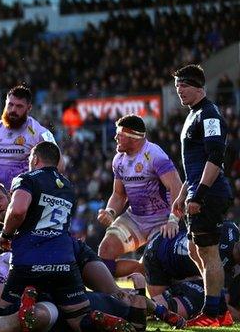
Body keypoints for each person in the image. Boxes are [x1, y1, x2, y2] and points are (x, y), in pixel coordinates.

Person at [0, 141, 132, 332]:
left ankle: (28, 303)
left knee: (4, 309)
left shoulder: (26, 178)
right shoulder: (67, 186)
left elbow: (18, 211)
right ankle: (98, 318)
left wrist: (5, 234)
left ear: (35, 159)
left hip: (28, 260)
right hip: (65, 261)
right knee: (78, 320)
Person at [172, 64, 234, 327]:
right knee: (195, 250)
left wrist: (198, 195)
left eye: (184, 86)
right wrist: (182, 194)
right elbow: (195, 166)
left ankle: (214, 313)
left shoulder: (209, 115)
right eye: (177, 88)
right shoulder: (194, 114)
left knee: (208, 252)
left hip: (209, 194)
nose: (180, 92)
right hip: (197, 191)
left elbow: (216, 157)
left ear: (198, 86)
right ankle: (220, 308)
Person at [0, 85, 54, 263]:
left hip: (24, 204)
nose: (13, 110)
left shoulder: (38, 132)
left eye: (19, 106)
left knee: (21, 256)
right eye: (10, 105)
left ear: (29, 108)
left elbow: (57, 162)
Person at [96, 115, 182, 277]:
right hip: (135, 217)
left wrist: (173, 220)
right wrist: (110, 212)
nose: (115, 138)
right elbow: (119, 194)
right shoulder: (118, 160)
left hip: (161, 219)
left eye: (119, 134)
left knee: (157, 262)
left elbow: (176, 186)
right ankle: (141, 270)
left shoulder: (154, 154)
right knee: (105, 251)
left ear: (133, 137)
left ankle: (150, 270)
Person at [142, 221, 239, 326]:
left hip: (177, 269)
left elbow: (222, 303)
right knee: (156, 310)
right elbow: (193, 217)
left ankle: (131, 295)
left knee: (163, 310)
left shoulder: (227, 272)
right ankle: (128, 298)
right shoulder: (230, 228)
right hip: (158, 253)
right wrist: (173, 220)